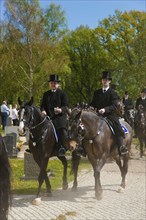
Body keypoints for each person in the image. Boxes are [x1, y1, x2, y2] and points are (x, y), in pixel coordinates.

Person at [90, 71, 128, 156]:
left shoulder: (113, 93)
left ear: (109, 81)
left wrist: (105, 109)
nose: (105, 81)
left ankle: (121, 146)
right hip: (98, 115)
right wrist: (89, 107)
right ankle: (83, 148)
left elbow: (114, 105)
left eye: (106, 80)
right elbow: (93, 103)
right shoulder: (97, 92)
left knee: (117, 125)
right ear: (102, 81)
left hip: (110, 115)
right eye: (103, 80)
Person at [40, 74, 68, 156]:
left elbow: (65, 106)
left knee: (62, 130)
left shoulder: (62, 94)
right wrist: (43, 111)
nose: (53, 85)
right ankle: (36, 146)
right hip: (48, 117)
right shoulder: (46, 94)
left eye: (55, 83)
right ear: (49, 84)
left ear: (58, 84)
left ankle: (62, 147)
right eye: (52, 83)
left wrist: (60, 110)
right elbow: (42, 105)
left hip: (59, 117)